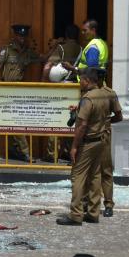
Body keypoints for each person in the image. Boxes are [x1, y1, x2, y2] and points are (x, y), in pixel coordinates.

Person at [56, 68, 111, 226]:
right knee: (95, 176)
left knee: (77, 177)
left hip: (87, 142)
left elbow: (82, 125)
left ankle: (76, 214)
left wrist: (74, 147)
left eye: (81, 80)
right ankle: (93, 213)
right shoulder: (104, 94)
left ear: (87, 80)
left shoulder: (87, 99)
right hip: (101, 140)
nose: (80, 82)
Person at [0, 24, 40, 162]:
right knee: (13, 121)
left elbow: (42, 57)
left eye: (24, 36)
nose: (22, 38)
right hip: (7, 89)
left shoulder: (27, 52)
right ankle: (25, 152)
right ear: (15, 35)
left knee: (15, 120)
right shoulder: (7, 50)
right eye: (20, 36)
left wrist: (56, 48)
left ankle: (14, 151)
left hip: (20, 91)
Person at [43, 24, 82, 163]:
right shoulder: (82, 49)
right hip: (75, 88)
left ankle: (51, 154)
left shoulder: (61, 48)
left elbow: (48, 66)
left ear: (66, 35)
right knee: (70, 120)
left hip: (60, 88)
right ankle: (66, 151)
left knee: (55, 118)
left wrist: (42, 83)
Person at [96, 68, 123, 218]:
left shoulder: (109, 93)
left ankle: (108, 204)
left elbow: (119, 116)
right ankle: (90, 203)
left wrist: (106, 122)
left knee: (105, 171)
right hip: (89, 137)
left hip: (103, 137)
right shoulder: (88, 92)